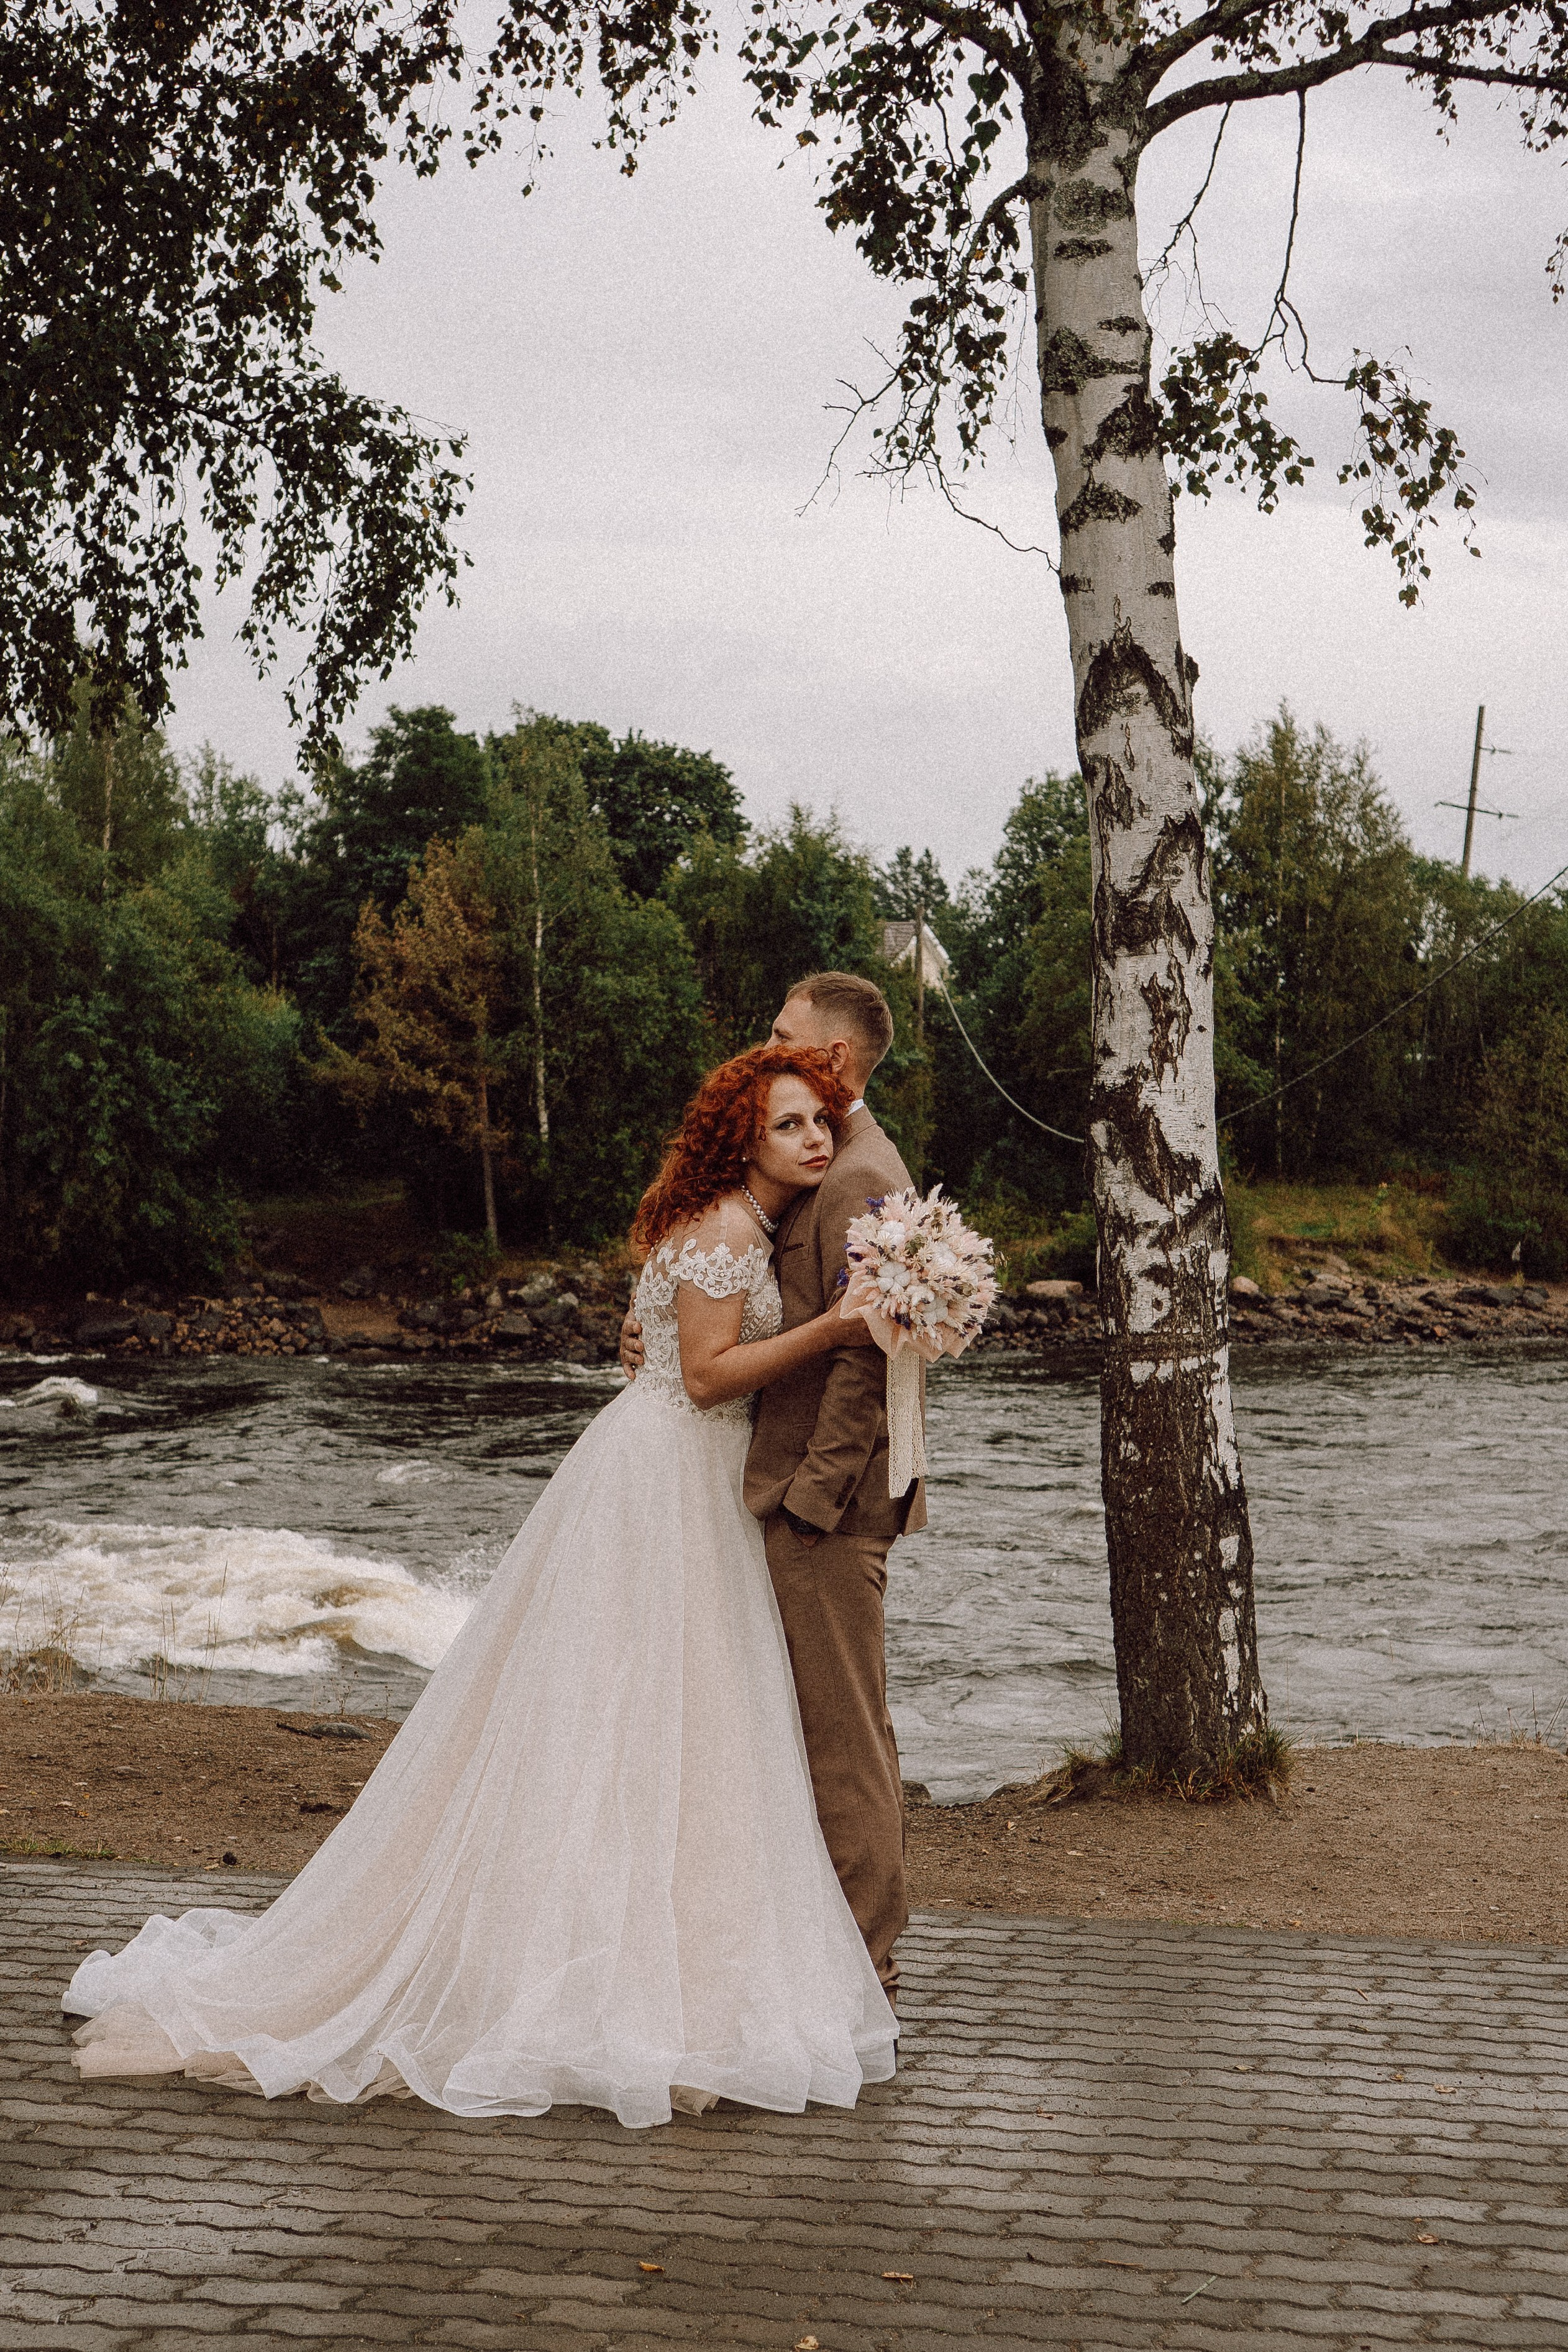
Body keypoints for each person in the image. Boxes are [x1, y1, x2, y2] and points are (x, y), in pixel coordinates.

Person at [62, 1046, 898, 2130]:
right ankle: (602, 1971)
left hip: (674, 1474)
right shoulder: (732, 1231)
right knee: (641, 1712)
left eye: (820, 1121)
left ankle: (661, 1951)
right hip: (668, 1481)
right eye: (789, 1124)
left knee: (672, 1719)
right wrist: (833, 1328)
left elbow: (665, 1346)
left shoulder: (741, 1222)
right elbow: (701, 1377)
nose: (814, 1139)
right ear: (744, 1138)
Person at [622, 971, 923, 2007]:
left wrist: (810, 1506)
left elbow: (868, 1360)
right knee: (812, 1732)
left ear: (831, 1058)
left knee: (843, 1749)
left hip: (820, 1507)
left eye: (782, 1032)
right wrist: (655, 1326)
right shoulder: (824, 1162)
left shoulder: (857, 1175)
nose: (765, 1043)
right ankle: (824, 1961)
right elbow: (727, 1282)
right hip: (758, 1481)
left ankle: (867, 1977)